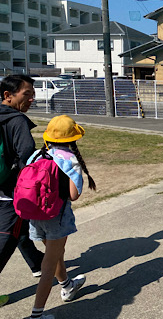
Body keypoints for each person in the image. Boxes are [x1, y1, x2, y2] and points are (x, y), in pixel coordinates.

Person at [27, 115, 96, 319]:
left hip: (34, 215)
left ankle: (67, 285)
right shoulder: (70, 159)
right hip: (56, 217)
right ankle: (37, 315)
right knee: (48, 266)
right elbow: (74, 195)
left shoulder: (36, 154)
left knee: (56, 253)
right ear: (72, 138)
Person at [0, 75, 45, 308]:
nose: (31, 99)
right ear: (8, 95)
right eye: (27, 94)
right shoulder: (16, 120)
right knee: (6, 241)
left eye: (32, 94)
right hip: (8, 195)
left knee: (22, 232)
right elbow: (27, 153)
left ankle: (38, 263)